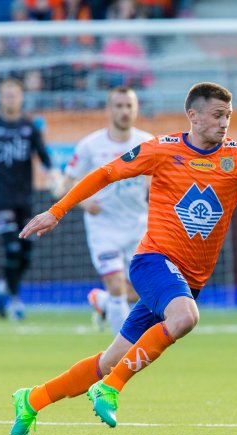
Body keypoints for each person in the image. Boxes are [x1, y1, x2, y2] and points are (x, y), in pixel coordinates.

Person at [10, 82, 237, 435]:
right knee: (185, 318)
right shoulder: (161, 150)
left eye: (228, 115)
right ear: (193, 116)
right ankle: (110, 390)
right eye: (216, 115)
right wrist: (57, 211)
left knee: (110, 360)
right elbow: (105, 174)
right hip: (153, 262)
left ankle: (31, 400)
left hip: (189, 278)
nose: (224, 122)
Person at [61, 86, 154, 334]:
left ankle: (101, 302)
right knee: (116, 286)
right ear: (108, 109)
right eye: (119, 106)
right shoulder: (90, 145)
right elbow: (68, 180)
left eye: (128, 106)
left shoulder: (147, 143)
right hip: (103, 226)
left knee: (139, 292)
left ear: (136, 109)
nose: (124, 111)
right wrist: (83, 202)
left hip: (137, 225)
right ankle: (121, 352)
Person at [0, 78, 61, 320]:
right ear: (0, 98)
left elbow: (43, 155)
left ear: (21, 98)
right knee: (11, 248)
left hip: (25, 199)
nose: (10, 99)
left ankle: (3, 286)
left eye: (14, 95)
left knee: (26, 252)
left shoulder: (29, 128)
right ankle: (15, 300)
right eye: (6, 95)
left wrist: (53, 175)